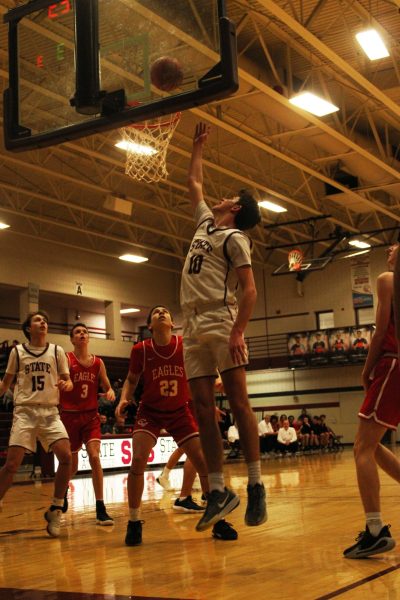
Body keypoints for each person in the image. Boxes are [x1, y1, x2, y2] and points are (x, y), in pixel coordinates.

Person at [180, 121, 266, 532]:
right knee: (202, 407)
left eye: (230, 197)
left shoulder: (235, 238)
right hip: (192, 324)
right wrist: (196, 147)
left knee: (237, 401)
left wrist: (237, 332)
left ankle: (254, 483)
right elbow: (194, 182)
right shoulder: (203, 224)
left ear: (234, 210)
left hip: (220, 317)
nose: (222, 196)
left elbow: (249, 290)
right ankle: (218, 489)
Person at [116, 305, 237, 545]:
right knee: (138, 458)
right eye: (156, 312)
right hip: (149, 411)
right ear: (149, 325)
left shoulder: (184, 345)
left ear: (172, 323)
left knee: (203, 461)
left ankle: (218, 520)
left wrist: (216, 384)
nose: (161, 313)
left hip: (179, 411)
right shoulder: (141, 349)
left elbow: (203, 371)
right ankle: (133, 521)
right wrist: (123, 399)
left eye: (166, 311)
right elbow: (131, 379)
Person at [343, 243, 400, 559]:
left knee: (362, 448)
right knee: (372, 445)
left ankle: (375, 530)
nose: (390, 249)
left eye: (396, 245)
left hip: (391, 363)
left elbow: (379, 332)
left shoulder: (387, 279)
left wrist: (366, 371)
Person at [0, 311, 72, 537]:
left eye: (45, 320)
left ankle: (56, 508)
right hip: (25, 412)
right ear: (28, 328)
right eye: (38, 320)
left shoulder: (57, 351)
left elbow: (67, 380)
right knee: (12, 465)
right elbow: (5, 385)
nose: (43, 323)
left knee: (66, 457)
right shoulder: (18, 352)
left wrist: (67, 384)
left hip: (50, 412)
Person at [59, 322, 115, 525]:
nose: (82, 334)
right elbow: (60, 382)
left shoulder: (98, 363)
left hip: (90, 416)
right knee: (72, 466)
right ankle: (62, 490)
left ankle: (100, 507)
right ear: (72, 339)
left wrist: (110, 392)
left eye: (84, 332)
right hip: (70, 416)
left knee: (94, 457)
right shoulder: (66, 358)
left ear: (88, 338)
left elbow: (107, 386)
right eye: (77, 332)